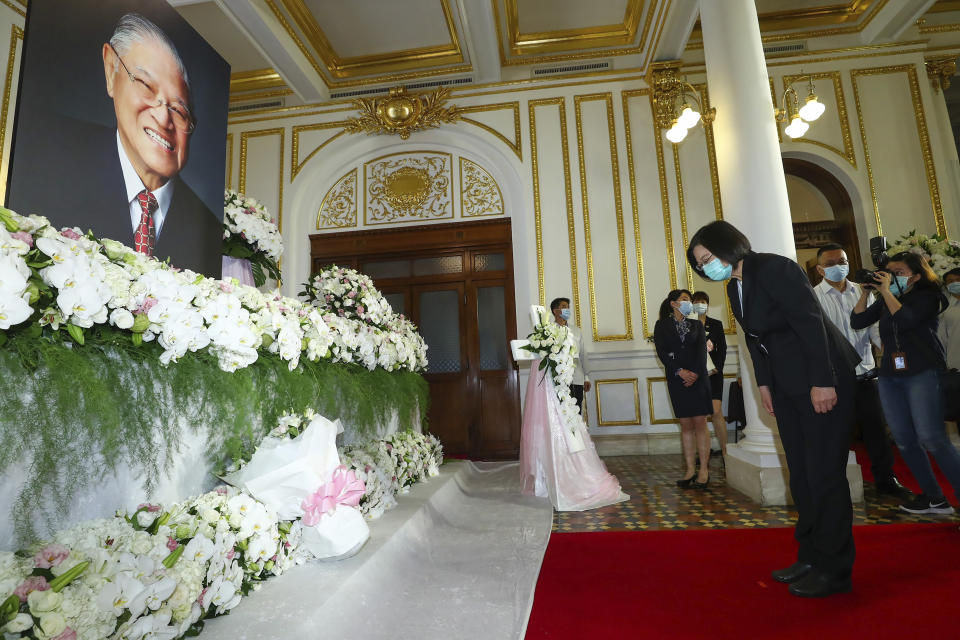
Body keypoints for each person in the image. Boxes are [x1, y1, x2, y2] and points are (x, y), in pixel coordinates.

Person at [688, 221, 861, 599]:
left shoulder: (774, 268)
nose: (706, 268)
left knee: (824, 475)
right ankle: (811, 556)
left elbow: (810, 323)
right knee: (799, 474)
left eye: (708, 258)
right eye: (700, 264)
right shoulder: (735, 286)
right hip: (786, 385)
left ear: (728, 245)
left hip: (822, 379)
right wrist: (764, 385)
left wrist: (822, 380)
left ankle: (835, 570)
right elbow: (755, 339)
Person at [7, 12, 222, 276]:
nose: (163, 117)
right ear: (111, 70)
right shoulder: (44, 156)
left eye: (179, 111)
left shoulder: (209, 230)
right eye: (145, 85)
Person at [851, 252, 960, 516]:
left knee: (933, 438)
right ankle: (933, 498)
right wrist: (867, 294)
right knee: (904, 440)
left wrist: (887, 293)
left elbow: (906, 320)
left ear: (916, 275)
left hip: (923, 371)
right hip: (891, 374)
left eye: (898, 272)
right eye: (889, 272)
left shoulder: (930, 297)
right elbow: (858, 321)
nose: (891, 276)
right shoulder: (890, 297)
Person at [812, 243, 910, 499]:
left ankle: (886, 480)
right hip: (835, 378)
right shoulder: (813, 297)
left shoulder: (863, 291)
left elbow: (875, 327)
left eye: (842, 261)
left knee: (876, 430)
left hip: (866, 373)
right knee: (837, 435)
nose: (838, 267)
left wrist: (890, 352)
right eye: (831, 264)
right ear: (821, 269)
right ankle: (836, 484)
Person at [654, 290, 713, 489]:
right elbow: (661, 352)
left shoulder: (697, 324)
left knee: (700, 424)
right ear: (673, 304)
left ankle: (704, 470)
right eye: (685, 300)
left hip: (698, 380)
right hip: (677, 379)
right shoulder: (662, 325)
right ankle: (689, 469)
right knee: (686, 425)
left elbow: (701, 353)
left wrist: (694, 373)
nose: (689, 303)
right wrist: (679, 371)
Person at [691, 291, 728, 457]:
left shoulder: (716, 324)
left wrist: (717, 368)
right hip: (697, 376)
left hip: (714, 374)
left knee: (716, 412)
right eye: (697, 301)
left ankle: (726, 451)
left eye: (703, 301)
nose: (700, 304)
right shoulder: (689, 324)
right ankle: (702, 452)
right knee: (699, 415)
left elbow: (723, 348)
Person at [549, 297, 591, 414]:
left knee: (576, 410)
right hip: (558, 378)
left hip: (577, 377)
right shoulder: (549, 331)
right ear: (555, 311)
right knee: (561, 412)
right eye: (563, 307)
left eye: (568, 307)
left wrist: (586, 377)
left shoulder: (576, 330)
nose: (567, 309)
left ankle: (576, 432)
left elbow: (582, 353)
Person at [937, 267, 960, 371]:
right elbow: (941, 339)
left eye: (958, 280)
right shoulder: (944, 309)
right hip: (955, 365)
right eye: (951, 281)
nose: (955, 283)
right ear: (946, 286)